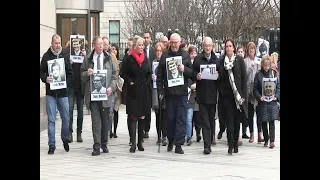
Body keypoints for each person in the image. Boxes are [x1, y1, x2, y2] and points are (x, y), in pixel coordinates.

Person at [156, 33, 194, 154]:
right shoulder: (165, 56)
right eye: (172, 42)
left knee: (181, 119)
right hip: (169, 93)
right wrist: (160, 91)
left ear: (179, 43)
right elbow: (160, 76)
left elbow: (192, 73)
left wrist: (185, 69)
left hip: (182, 93)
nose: (174, 45)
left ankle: (179, 144)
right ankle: (171, 139)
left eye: (176, 42)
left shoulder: (185, 55)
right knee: (171, 119)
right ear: (169, 43)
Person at [80, 36, 118, 156]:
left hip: (105, 95)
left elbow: (115, 74)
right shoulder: (88, 59)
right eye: (99, 44)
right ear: (94, 46)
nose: (101, 46)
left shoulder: (109, 58)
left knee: (105, 120)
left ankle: (104, 143)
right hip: (93, 95)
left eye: (102, 44)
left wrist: (111, 87)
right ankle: (96, 146)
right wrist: (87, 73)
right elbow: (81, 75)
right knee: (96, 121)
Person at [40, 34, 73, 154]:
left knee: (66, 118)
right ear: (52, 43)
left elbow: (70, 72)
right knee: (51, 120)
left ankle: (65, 138)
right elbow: (41, 71)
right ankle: (51, 144)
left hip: (63, 92)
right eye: (56, 43)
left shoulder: (65, 54)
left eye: (59, 43)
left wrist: (66, 84)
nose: (58, 45)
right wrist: (45, 78)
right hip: (51, 93)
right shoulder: (46, 56)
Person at [121, 35, 152, 153]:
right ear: (134, 46)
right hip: (133, 92)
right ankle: (133, 142)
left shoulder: (146, 59)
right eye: (139, 45)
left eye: (143, 45)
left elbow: (149, 73)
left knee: (142, 117)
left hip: (144, 92)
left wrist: (148, 81)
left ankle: (140, 142)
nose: (141, 47)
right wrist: (130, 81)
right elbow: (123, 72)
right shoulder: (129, 59)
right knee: (133, 117)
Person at [217, 39, 247, 155]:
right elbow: (219, 79)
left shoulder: (239, 60)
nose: (228, 48)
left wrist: (243, 96)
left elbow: (243, 79)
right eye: (227, 46)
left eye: (230, 46)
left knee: (236, 122)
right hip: (227, 97)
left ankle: (235, 143)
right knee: (229, 122)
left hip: (238, 97)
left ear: (233, 48)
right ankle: (230, 144)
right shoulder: (221, 62)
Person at [192, 37, 219, 154]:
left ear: (212, 46)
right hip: (202, 95)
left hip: (212, 95)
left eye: (210, 46)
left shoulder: (216, 60)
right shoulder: (198, 59)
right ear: (203, 46)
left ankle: (211, 137)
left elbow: (221, 75)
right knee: (205, 121)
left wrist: (219, 75)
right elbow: (192, 72)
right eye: (206, 46)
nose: (208, 48)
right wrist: (196, 76)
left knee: (211, 120)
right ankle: (206, 145)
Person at [253, 55, 280, 148]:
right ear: (262, 65)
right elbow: (255, 88)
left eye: (268, 66)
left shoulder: (273, 73)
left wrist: (276, 96)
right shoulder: (258, 74)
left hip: (272, 102)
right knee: (264, 121)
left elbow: (278, 87)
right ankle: (266, 138)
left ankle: (272, 140)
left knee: (272, 121)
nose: (266, 68)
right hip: (263, 102)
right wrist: (259, 97)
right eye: (265, 66)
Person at [68, 39, 86, 143]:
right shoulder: (69, 55)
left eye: (77, 44)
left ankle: (79, 133)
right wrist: (69, 63)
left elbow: (87, 66)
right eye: (74, 44)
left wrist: (85, 57)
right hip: (71, 86)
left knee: (80, 111)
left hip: (80, 87)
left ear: (80, 44)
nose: (76, 46)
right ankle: (70, 133)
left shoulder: (84, 55)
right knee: (70, 110)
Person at [151, 42, 168, 146]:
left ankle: (165, 135)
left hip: (164, 89)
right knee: (158, 113)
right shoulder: (153, 63)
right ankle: (158, 135)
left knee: (164, 113)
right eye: (157, 51)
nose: (158, 53)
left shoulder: (165, 62)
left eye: (160, 51)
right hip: (155, 89)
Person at [142, 31, 154, 139]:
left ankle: (147, 129)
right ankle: (141, 127)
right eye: (144, 37)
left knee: (148, 107)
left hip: (151, 83)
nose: (146, 39)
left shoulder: (154, 51)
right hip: (142, 82)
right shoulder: (140, 51)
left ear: (150, 39)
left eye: (147, 37)